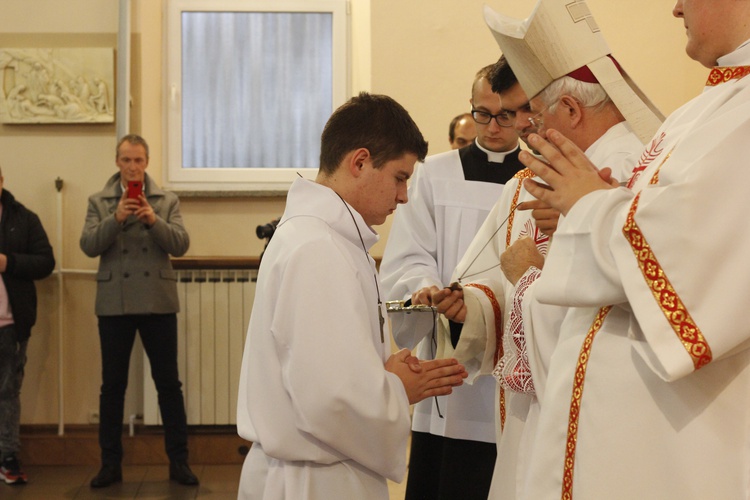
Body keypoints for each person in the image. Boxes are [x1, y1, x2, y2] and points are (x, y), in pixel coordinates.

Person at [509, 0, 750, 497]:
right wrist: (607, 202)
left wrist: (591, 203)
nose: (676, 8)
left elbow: (689, 259)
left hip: (674, 456)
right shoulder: (708, 107)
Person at [431, 2, 664, 497]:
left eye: (533, 115)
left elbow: (627, 302)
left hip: (591, 413)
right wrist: (471, 306)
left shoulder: (629, 171)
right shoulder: (534, 180)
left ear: (572, 110)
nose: (526, 132)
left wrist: (532, 274)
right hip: (533, 411)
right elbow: (493, 279)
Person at [236, 92, 468, 500]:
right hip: (313, 482)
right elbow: (329, 399)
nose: (404, 196)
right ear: (360, 162)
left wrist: (380, 370)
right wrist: (396, 389)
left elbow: (324, 369)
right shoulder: (318, 248)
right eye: (400, 177)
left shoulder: (327, 238)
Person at [380, 64, 523, 500]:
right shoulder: (432, 173)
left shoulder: (539, 176)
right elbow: (409, 253)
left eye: (504, 116)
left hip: (512, 356)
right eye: (482, 114)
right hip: (447, 352)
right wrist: (425, 287)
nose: (493, 127)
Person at [80, 134, 197, 488]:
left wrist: (152, 220)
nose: (133, 166)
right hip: (115, 302)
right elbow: (87, 245)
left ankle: (179, 463)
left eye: (139, 160)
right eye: (127, 160)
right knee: (112, 387)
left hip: (157, 301)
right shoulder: (99, 201)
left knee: (168, 385)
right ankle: (109, 465)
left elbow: (180, 244)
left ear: (147, 163)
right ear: (117, 162)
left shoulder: (165, 199)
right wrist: (115, 218)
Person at [0, 165, 55, 486]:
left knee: (8, 392)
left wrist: (9, 262)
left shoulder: (24, 218)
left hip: (11, 323)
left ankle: (8, 457)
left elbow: (46, 261)